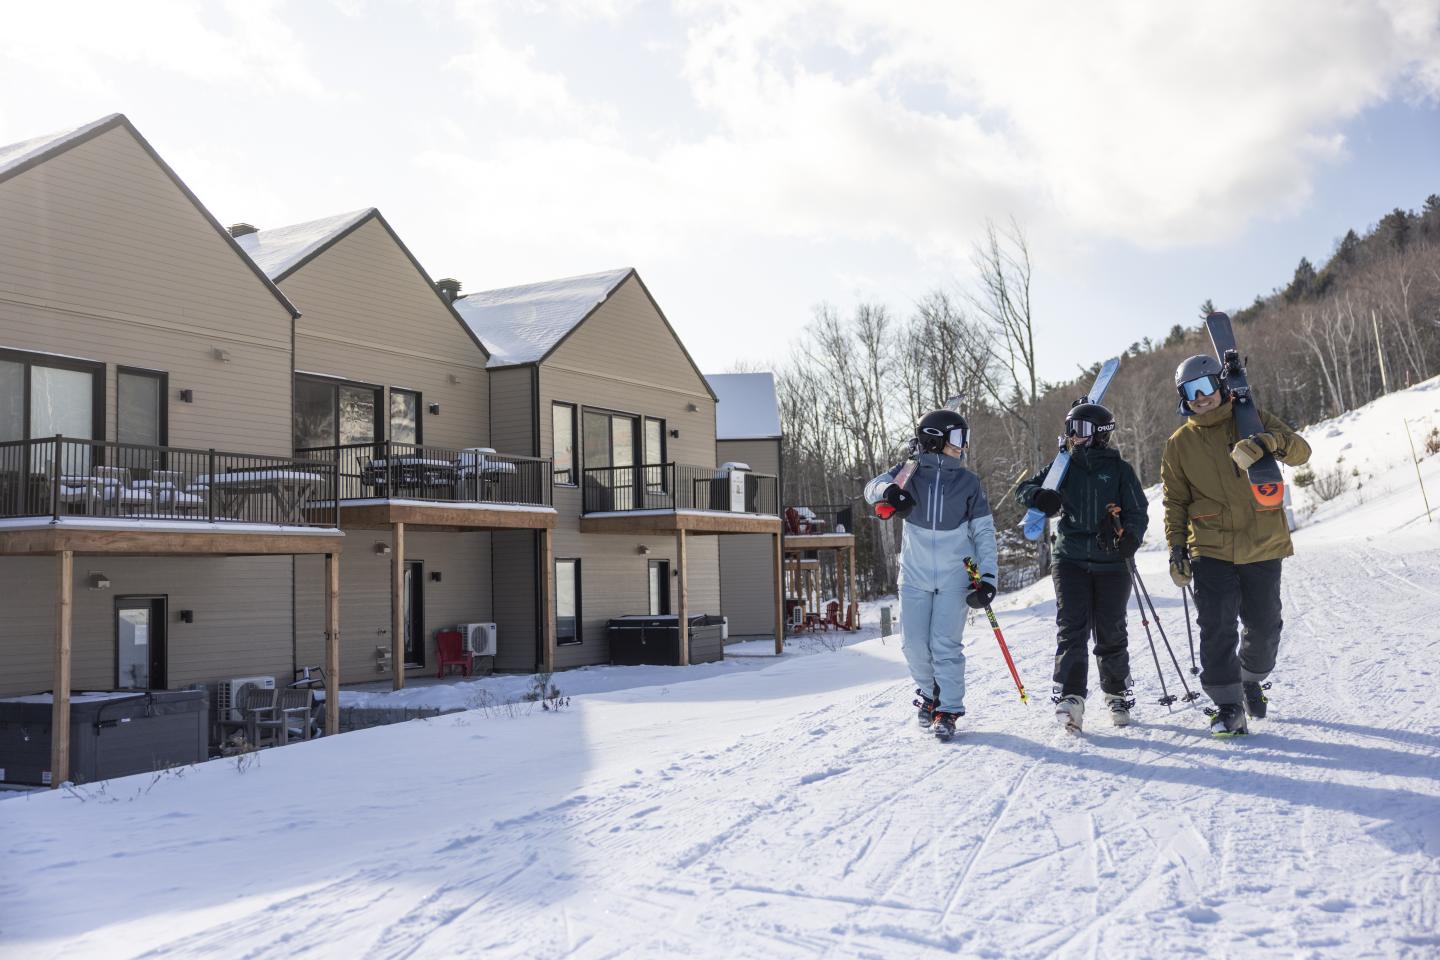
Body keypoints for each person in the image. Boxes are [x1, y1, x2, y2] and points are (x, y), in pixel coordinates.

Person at [1161, 356, 1312, 736]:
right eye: (1190, 392)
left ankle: (1250, 677)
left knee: (1264, 627)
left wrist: (1266, 442)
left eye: (1206, 387)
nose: (1201, 398)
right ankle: (1228, 706)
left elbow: (1301, 451)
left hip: (1261, 540)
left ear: (1221, 385)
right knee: (1216, 627)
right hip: (1209, 547)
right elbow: (1174, 502)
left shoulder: (1251, 419)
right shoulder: (1179, 445)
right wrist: (1177, 549)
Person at [865, 409, 999, 741]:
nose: (963, 445)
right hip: (914, 575)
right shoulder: (909, 473)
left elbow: (984, 533)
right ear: (937, 441)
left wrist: (989, 578)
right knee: (913, 645)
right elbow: (872, 488)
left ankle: (948, 709)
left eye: (964, 438)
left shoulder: (968, 482)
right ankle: (930, 695)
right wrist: (889, 492)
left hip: (956, 576)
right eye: (957, 438)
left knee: (944, 645)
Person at [1016, 402, 1148, 732]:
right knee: (1072, 627)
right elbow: (1023, 490)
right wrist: (1040, 497)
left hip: (1111, 560)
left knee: (1110, 628)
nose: (1074, 436)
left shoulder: (1119, 469)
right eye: (1071, 429)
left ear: (1101, 434)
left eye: (1082, 430)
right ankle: (1071, 696)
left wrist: (1131, 537)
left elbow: (1138, 510)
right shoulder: (1062, 467)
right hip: (1070, 558)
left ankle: (1116, 692)